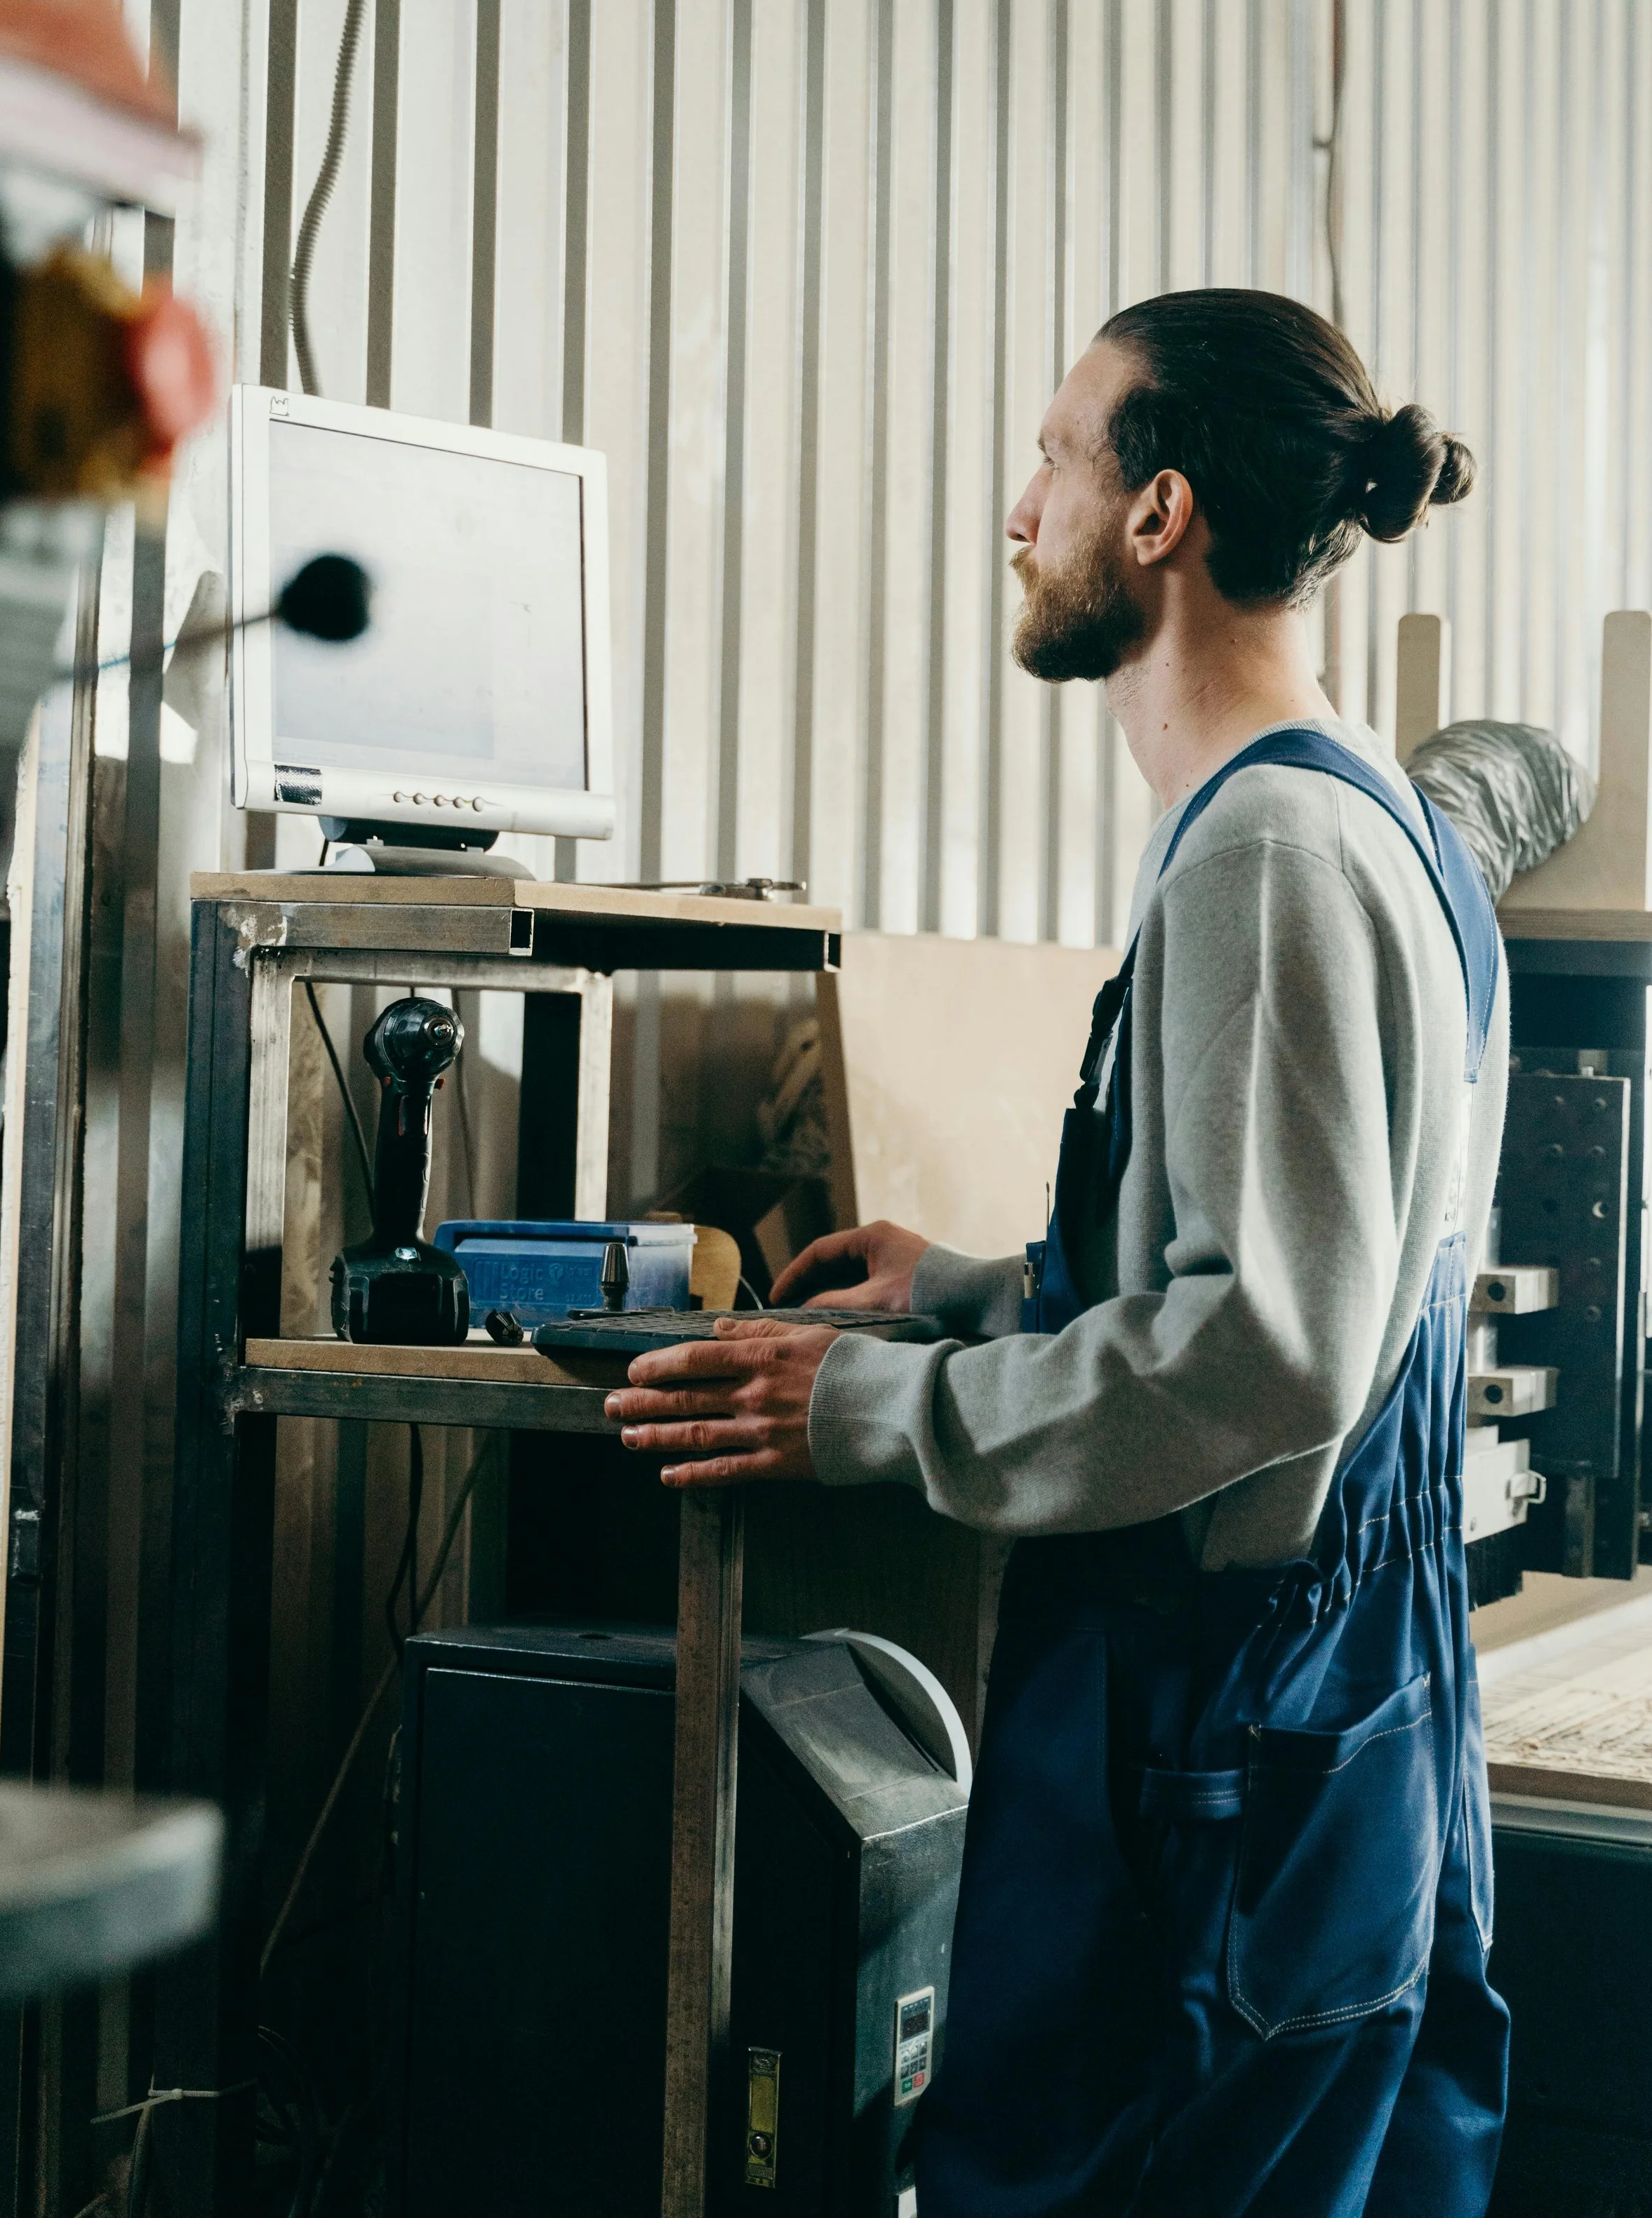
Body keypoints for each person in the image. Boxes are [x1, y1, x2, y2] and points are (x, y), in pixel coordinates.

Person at [604, 286, 1510, 2214]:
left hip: (1231, 1762)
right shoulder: (1367, 815)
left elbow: (1266, 1350)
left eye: (1051, 455)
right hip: (1326, 1727)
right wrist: (961, 1288)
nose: (1020, 508)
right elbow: (1284, 1261)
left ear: (1158, 513)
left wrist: (871, 1405)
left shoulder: (1265, 848)